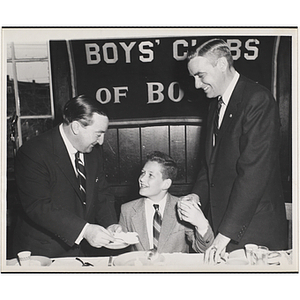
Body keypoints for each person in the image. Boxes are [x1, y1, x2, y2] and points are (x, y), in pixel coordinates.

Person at [183, 38, 288, 263]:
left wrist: (224, 235)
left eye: (200, 75)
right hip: (224, 225)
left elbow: (253, 173)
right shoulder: (215, 105)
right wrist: (197, 194)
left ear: (222, 64)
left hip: (253, 229)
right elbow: (209, 164)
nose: (196, 85)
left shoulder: (257, 100)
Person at [13, 95, 121, 258]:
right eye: (98, 134)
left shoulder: (93, 151)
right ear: (76, 127)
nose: (101, 141)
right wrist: (85, 231)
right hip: (43, 252)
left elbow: (102, 193)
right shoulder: (33, 152)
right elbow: (38, 206)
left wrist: (110, 223)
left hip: (81, 250)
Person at [118, 151, 214, 253]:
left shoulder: (182, 207)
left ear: (166, 184)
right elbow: (121, 249)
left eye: (150, 175)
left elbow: (204, 249)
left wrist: (202, 226)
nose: (141, 179)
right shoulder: (127, 210)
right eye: (143, 173)